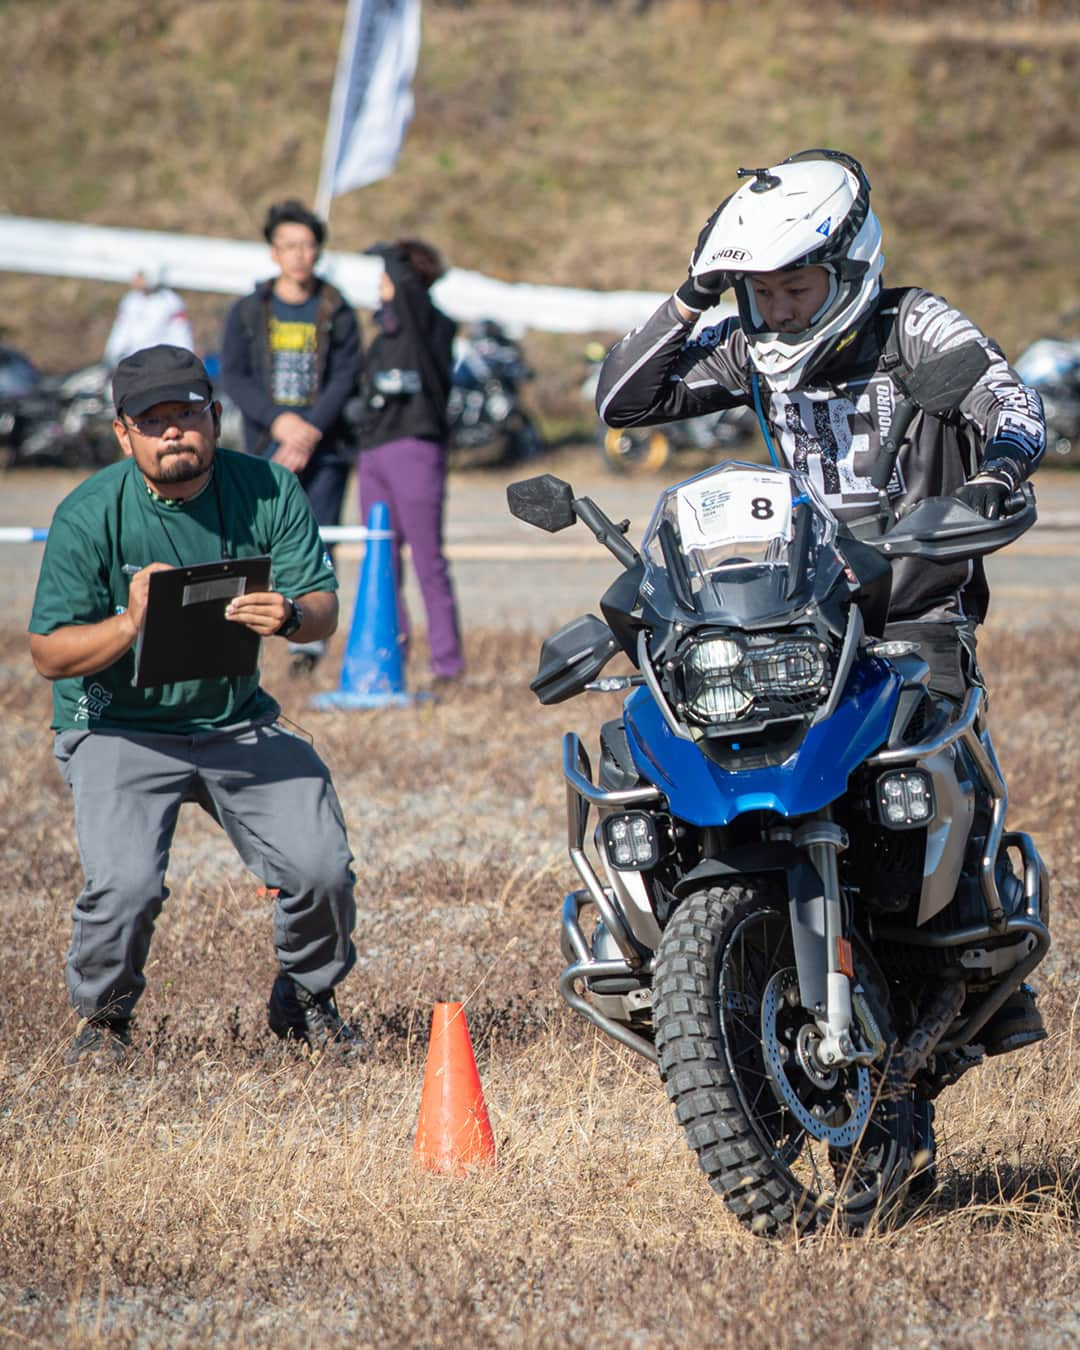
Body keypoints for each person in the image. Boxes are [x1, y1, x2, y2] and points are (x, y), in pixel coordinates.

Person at [596, 147, 1048, 1057]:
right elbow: (623, 398)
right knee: (673, 746)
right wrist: (693, 292)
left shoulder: (913, 325)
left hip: (913, 607)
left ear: (848, 266)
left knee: (929, 768)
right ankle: (671, 952)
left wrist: (996, 474)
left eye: (796, 289)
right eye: (758, 294)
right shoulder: (753, 349)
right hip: (796, 607)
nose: (778, 311)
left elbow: (1015, 403)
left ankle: (973, 958)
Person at [28, 344, 358, 1066]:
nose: (173, 430)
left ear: (216, 417)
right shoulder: (90, 512)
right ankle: (103, 1022)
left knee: (321, 866)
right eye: (153, 420)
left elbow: (326, 605)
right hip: (118, 723)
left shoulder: (268, 488)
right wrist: (129, 622)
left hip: (236, 719)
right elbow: (48, 653)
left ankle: (304, 996)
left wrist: (294, 616)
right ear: (123, 434)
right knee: (127, 885)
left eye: (187, 413)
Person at [220, 199, 363, 675]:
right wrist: (280, 424)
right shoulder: (247, 311)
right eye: (290, 246)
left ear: (319, 250)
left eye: (308, 245)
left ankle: (309, 642)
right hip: (265, 449)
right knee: (253, 543)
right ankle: (242, 635)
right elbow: (236, 377)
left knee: (320, 538)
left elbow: (346, 376)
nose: (300, 255)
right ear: (273, 251)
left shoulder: (336, 309)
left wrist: (308, 432)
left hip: (325, 450)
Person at [355, 237, 464, 687]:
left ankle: (447, 664)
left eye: (387, 276)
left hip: (414, 448)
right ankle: (388, 657)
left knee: (426, 560)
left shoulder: (429, 326)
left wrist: (391, 255)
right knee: (381, 559)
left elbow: (407, 288)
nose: (381, 284)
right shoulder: (386, 334)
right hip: (373, 451)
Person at [104, 263, 195, 368]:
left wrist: (183, 362)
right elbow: (121, 331)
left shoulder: (171, 302)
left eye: (141, 276)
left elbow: (181, 335)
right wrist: (112, 355)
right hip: (132, 363)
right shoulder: (130, 301)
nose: (136, 280)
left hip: (160, 365)